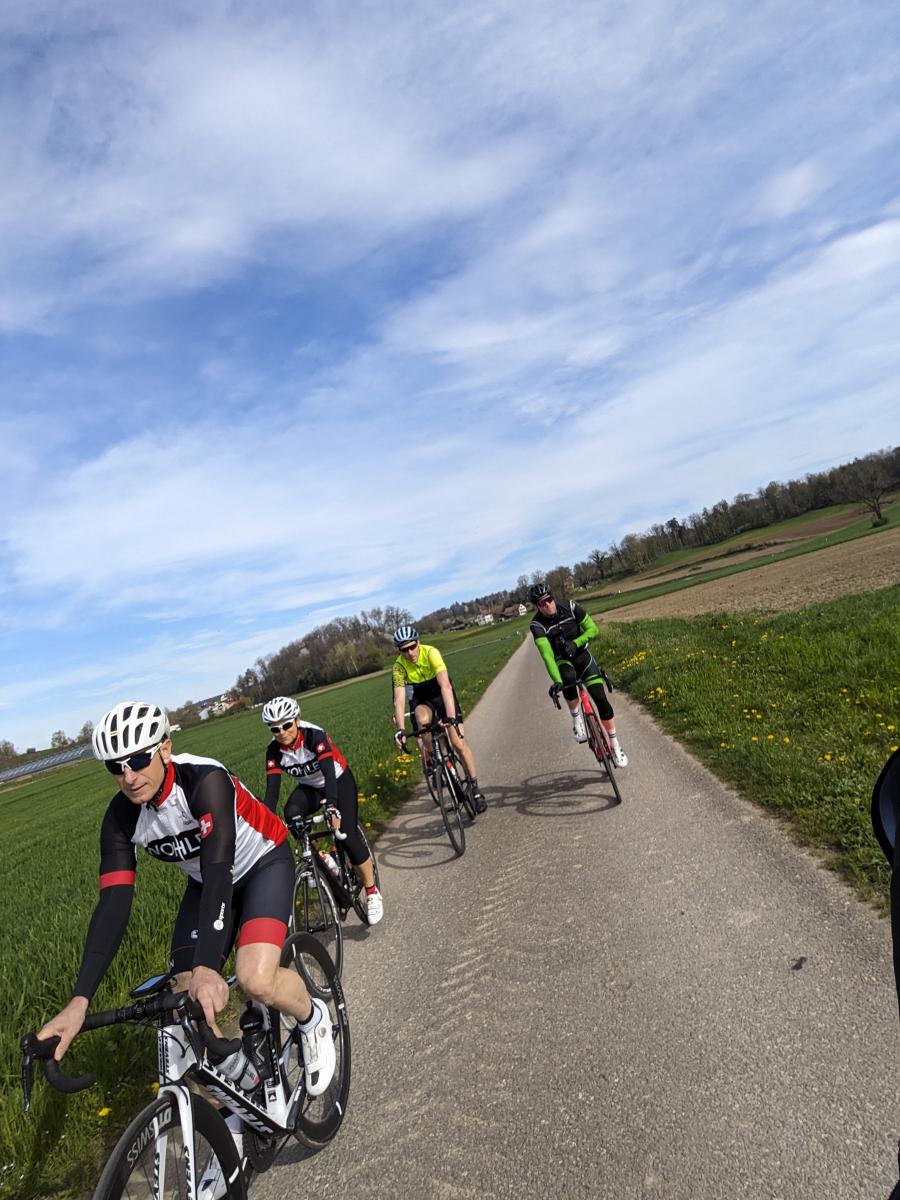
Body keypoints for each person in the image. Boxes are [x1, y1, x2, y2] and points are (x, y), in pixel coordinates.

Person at [37, 701, 336, 1194]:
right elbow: (112, 907)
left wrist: (209, 968)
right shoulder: (120, 818)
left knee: (255, 977)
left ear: (165, 749)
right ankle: (234, 1109)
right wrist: (78, 1002)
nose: (129, 776)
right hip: (206, 884)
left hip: (262, 863)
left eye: (138, 759)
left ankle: (312, 1017)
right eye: (116, 767)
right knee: (181, 1004)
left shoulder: (204, 781)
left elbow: (220, 867)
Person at [260, 696, 383, 925]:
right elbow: (272, 791)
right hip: (310, 787)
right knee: (292, 814)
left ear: (297, 719)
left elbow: (328, 772)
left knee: (346, 835)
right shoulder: (274, 751)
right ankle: (322, 859)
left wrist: (332, 806)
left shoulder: (314, 736)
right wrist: (265, 820)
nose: (282, 732)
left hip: (338, 781)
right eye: (275, 729)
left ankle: (372, 890)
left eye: (286, 725)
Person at [527, 582, 628, 766]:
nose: (548, 604)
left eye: (549, 599)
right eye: (542, 603)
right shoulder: (537, 625)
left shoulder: (571, 607)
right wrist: (557, 680)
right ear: (537, 607)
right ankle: (577, 719)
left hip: (582, 656)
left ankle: (615, 745)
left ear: (553, 597)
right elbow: (547, 655)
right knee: (567, 678)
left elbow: (593, 629)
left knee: (601, 699)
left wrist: (576, 643)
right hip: (563, 660)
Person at [390, 625, 487, 813]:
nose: (410, 653)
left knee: (458, 744)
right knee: (421, 718)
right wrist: (400, 729)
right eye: (404, 650)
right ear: (398, 651)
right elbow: (399, 699)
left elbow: (445, 686)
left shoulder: (431, 653)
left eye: (413, 647)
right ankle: (436, 757)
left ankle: (475, 788)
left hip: (441, 694)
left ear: (418, 642)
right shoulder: (398, 667)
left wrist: (450, 717)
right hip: (422, 698)